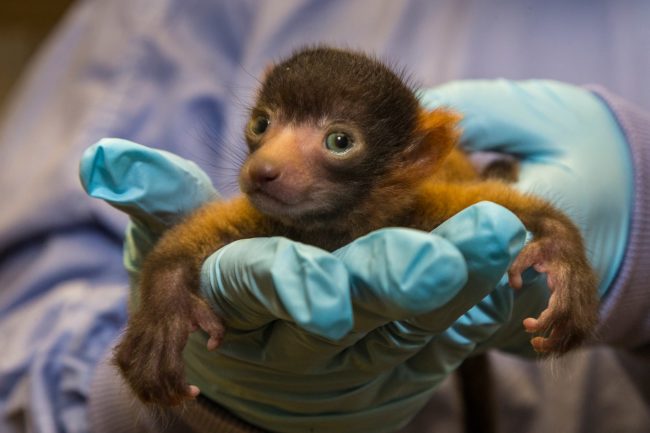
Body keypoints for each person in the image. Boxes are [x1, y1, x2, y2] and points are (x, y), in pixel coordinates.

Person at [0, 1, 648, 432]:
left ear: (416, 157)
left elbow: (541, 221)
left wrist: (622, 277)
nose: (265, 164)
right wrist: (169, 392)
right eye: (263, 125)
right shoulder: (253, 217)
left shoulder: (434, 200)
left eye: (338, 141)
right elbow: (174, 259)